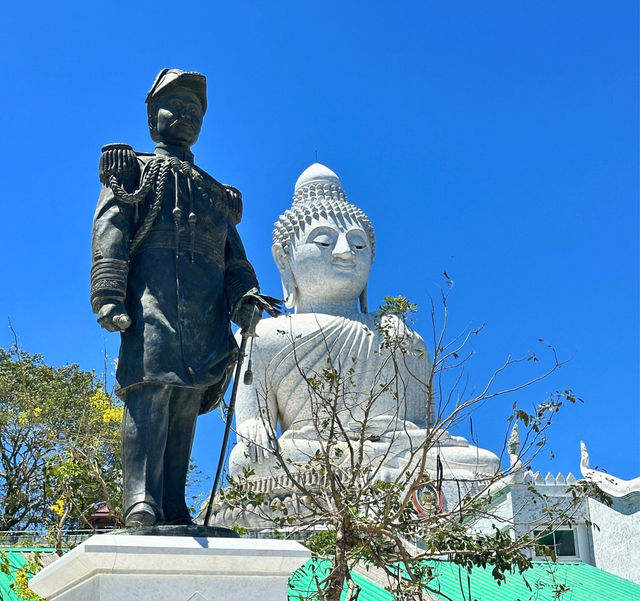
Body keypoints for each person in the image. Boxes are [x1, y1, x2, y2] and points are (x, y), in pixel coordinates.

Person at [228, 163, 500, 507]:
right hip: (310, 452)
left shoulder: (400, 336)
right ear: (284, 258)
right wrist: (254, 427)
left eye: (357, 245)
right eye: (324, 241)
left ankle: (387, 485)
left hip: (396, 453)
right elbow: (253, 424)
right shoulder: (262, 335)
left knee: (483, 463)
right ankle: (390, 487)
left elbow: (422, 427)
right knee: (246, 463)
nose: (343, 251)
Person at [91, 69, 262, 527]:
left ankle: (173, 502)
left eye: (195, 112)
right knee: (150, 392)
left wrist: (245, 297)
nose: (186, 116)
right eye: (176, 107)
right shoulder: (135, 171)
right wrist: (109, 294)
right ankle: (140, 502)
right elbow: (111, 228)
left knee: (186, 400)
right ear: (152, 117)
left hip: (204, 314)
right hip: (153, 303)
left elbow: (235, 257)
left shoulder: (215, 193)